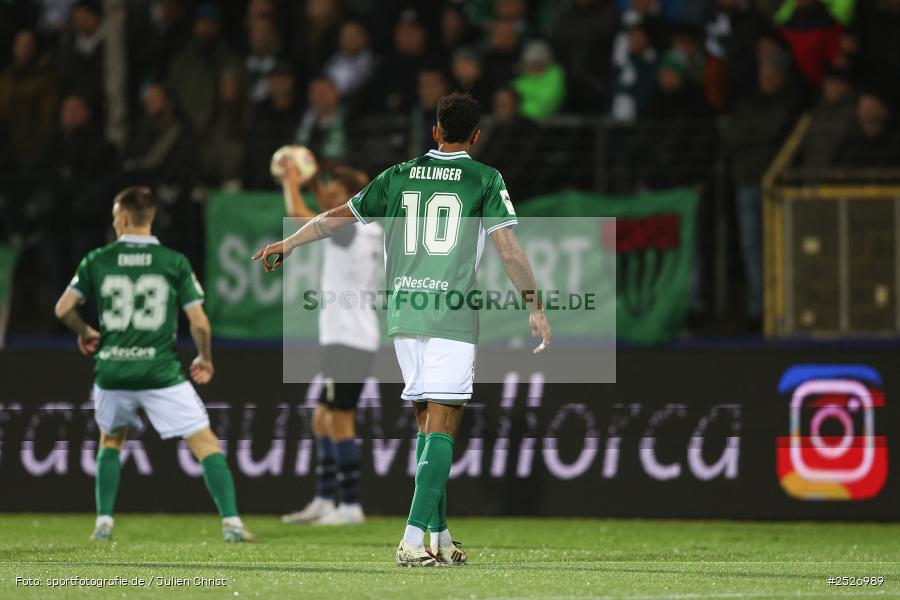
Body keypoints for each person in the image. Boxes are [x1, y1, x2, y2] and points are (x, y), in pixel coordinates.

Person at [253, 93, 552, 566]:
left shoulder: (397, 175)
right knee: (446, 422)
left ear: (435, 130)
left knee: (427, 425)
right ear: (476, 136)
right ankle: (412, 541)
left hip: (404, 315)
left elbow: (335, 219)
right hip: (450, 313)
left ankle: (441, 537)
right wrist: (534, 305)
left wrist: (289, 242)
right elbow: (509, 250)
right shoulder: (485, 178)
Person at [53, 186, 255, 543]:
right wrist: (204, 357)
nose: (114, 220)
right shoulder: (173, 262)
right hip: (160, 373)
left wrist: (85, 330)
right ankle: (232, 524)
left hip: (113, 371)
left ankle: (103, 523)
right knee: (205, 443)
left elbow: (63, 308)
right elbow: (200, 322)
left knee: (110, 441)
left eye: (116, 214)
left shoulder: (98, 259)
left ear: (125, 218)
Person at [278, 162, 383, 526]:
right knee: (322, 417)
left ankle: (350, 505)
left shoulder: (352, 228)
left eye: (339, 198)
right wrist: (316, 182)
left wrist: (291, 182)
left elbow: (299, 216)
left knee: (340, 419)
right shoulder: (366, 227)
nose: (331, 203)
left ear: (352, 200)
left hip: (350, 338)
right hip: (346, 336)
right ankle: (325, 499)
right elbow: (326, 206)